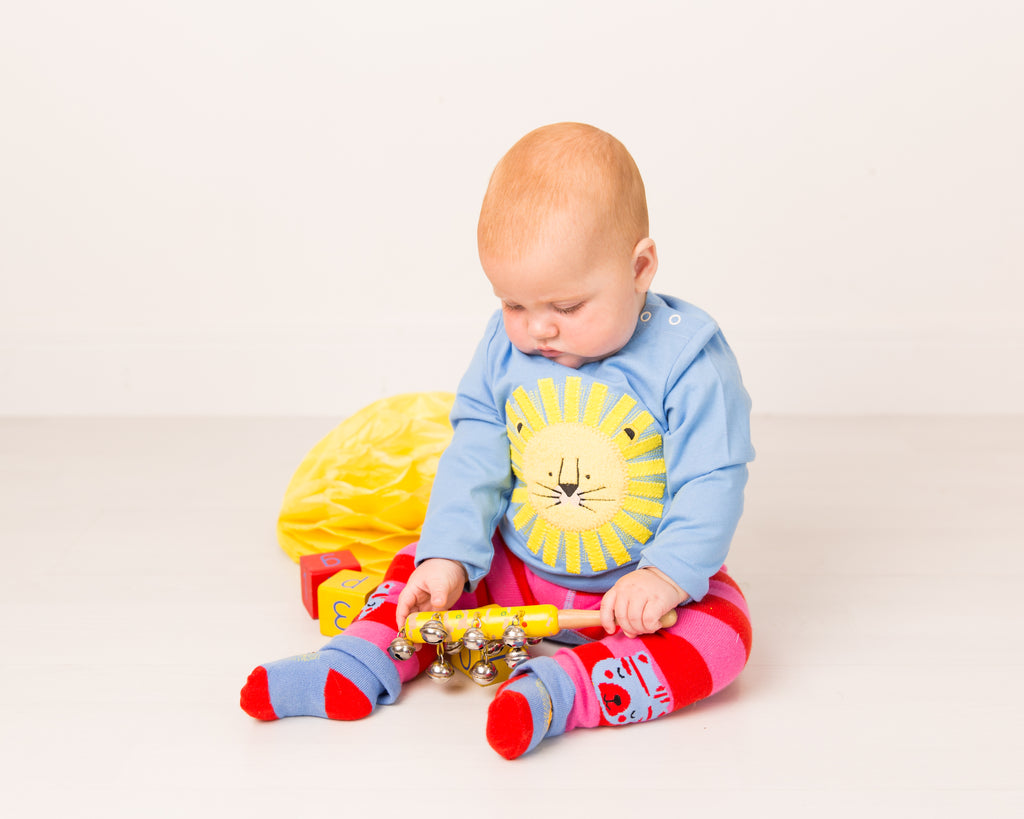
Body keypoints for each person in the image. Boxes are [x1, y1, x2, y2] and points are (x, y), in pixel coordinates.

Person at [240, 122, 755, 759]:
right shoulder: (502, 346)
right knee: (418, 573)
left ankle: (561, 692)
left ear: (639, 267)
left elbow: (713, 480)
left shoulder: (689, 362)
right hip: (516, 568)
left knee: (725, 636)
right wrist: (450, 557)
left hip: (633, 588)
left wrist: (668, 576)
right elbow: (476, 453)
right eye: (513, 303)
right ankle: (357, 660)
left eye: (567, 307)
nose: (538, 329)